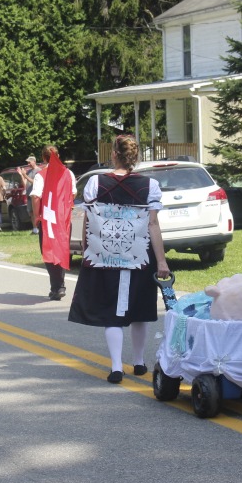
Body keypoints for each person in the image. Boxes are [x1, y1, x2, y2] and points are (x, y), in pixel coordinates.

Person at [68, 136, 170, 384]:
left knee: (111, 312)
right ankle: (138, 362)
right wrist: (162, 261)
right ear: (135, 157)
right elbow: (153, 225)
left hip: (104, 254)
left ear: (114, 154)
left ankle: (116, 366)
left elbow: (89, 220)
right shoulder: (150, 186)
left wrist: (84, 248)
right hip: (138, 254)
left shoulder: (95, 182)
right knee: (139, 309)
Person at [30, 145, 77, 301]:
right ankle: (59, 286)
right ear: (58, 155)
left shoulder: (41, 175)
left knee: (48, 251)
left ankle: (57, 286)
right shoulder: (68, 173)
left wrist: (36, 216)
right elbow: (73, 193)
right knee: (62, 249)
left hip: (48, 218)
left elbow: (36, 196)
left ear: (43, 158)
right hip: (63, 218)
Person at [19, 155, 40, 234]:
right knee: (31, 212)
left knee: (36, 213)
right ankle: (35, 229)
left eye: (29, 162)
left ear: (34, 161)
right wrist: (22, 175)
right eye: (27, 163)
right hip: (29, 195)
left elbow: (35, 182)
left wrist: (25, 176)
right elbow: (25, 183)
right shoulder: (28, 171)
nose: (28, 164)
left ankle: (39, 228)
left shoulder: (38, 171)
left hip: (35, 195)